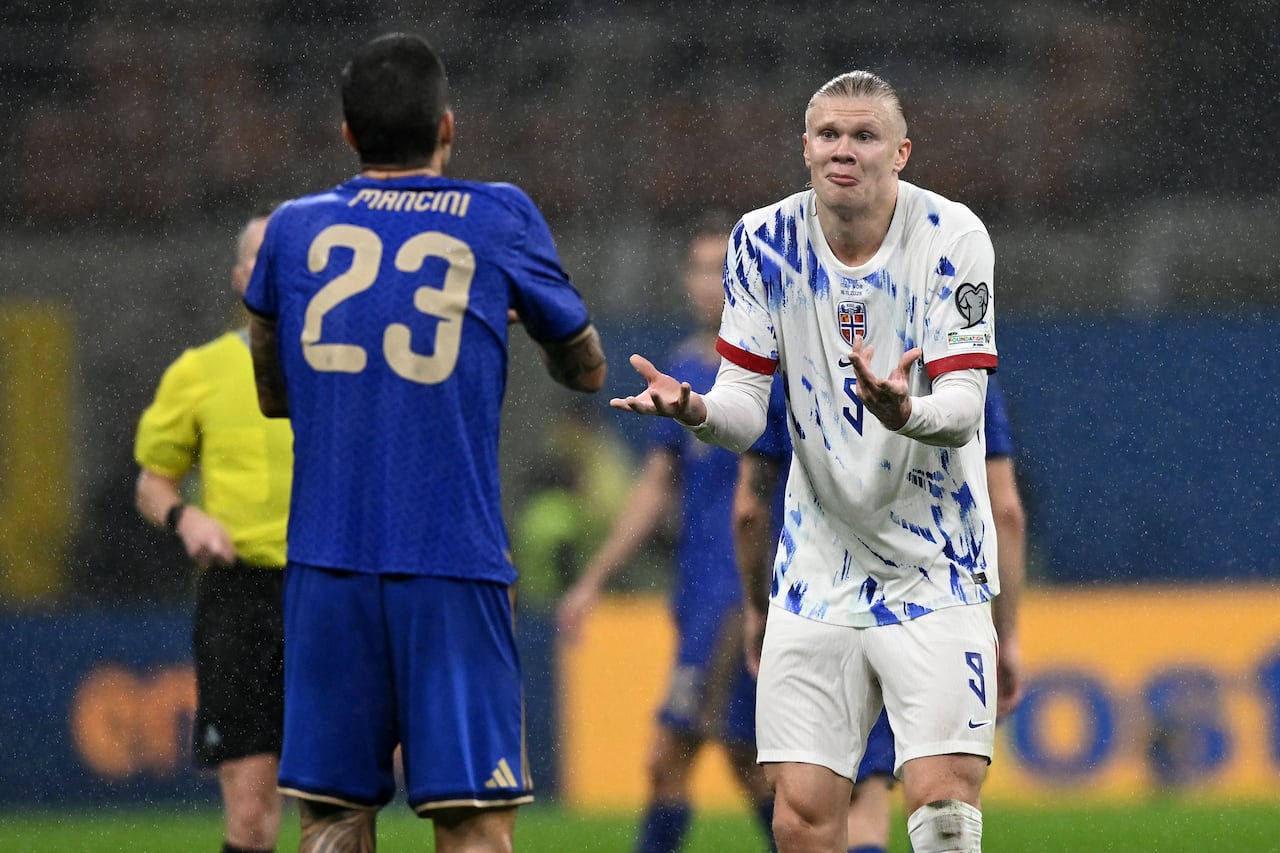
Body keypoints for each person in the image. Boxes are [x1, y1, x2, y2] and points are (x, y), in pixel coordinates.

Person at [610, 70, 1001, 852]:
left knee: (943, 800)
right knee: (799, 818)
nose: (843, 150)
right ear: (805, 149)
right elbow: (745, 408)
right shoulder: (762, 240)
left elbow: (962, 411)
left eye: (863, 136)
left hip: (937, 565)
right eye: (828, 135)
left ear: (901, 152)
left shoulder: (953, 236)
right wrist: (694, 409)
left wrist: (905, 410)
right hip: (815, 572)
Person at [242, 32, 606, 853]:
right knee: (474, 821)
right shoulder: (498, 215)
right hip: (453, 558)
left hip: (328, 558)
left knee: (331, 816)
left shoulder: (292, 231)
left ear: (346, 135)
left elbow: (272, 392)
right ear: (449, 127)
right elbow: (586, 369)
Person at [557, 214, 786, 853]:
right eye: (697, 267)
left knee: (669, 757)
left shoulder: (774, 367)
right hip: (697, 594)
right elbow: (658, 485)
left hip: (735, 595)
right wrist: (594, 580)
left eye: (722, 267)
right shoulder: (685, 365)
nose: (707, 282)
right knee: (748, 764)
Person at [733, 374, 1028, 853]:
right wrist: (1007, 633)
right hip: (930, 605)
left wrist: (756, 608)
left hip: (819, 605)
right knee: (934, 808)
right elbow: (1006, 508)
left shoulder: (793, 363)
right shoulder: (960, 374)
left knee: (807, 815)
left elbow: (749, 507)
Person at [133, 204, 290, 853]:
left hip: (333, 590)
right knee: (252, 813)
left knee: (338, 805)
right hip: (243, 596)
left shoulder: (349, 366)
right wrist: (185, 514)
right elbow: (151, 481)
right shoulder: (201, 371)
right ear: (239, 276)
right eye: (262, 257)